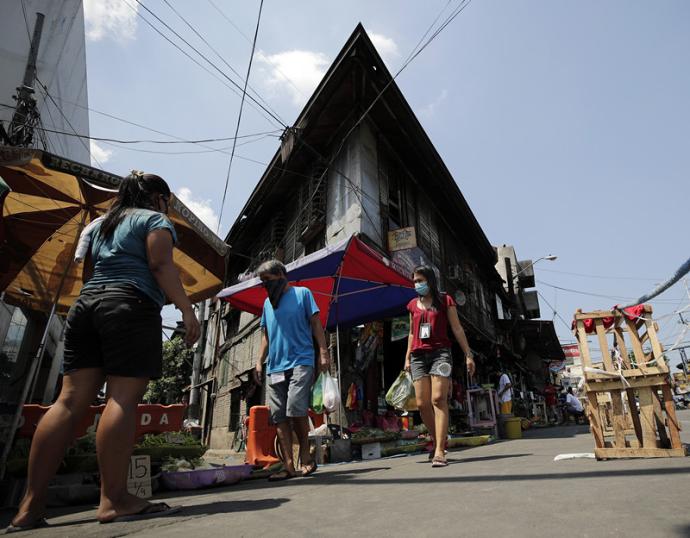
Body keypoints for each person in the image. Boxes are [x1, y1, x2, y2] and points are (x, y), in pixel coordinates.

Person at [7, 171, 200, 532]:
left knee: (67, 402)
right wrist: (187, 309)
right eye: (167, 200)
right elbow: (160, 264)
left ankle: (29, 507)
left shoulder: (97, 226)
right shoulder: (155, 219)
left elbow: (88, 273)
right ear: (159, 198)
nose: (167, 206)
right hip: (129, 304)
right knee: (122, 400)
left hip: (87, 306)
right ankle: (114, 500)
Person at [253, 260, 330, 481]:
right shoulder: (268, 304)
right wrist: (260, 361)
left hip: (301, 360)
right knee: (278, 417)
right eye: (262, 282)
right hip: (275, 366)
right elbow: (266, 336)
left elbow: (316, 324)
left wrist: (323, 353)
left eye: (267, 280)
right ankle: (288, 465)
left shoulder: (303, 294)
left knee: (296, 408)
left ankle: (306, 456)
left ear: (281, 275)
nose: (265, 286)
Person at [404, 266, 475, 468]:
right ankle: (438, 441)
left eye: (420, 280)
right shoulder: (411, 305)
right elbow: (411, 333)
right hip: (418, 356)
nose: (417, 284)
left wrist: (468, 355)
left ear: (430, 280)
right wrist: (407, 357)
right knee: (421, 403)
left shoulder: (445, 300)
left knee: (438, 399)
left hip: (440, 354)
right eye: (415, 281)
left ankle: (439, 451)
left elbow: (457, 328)